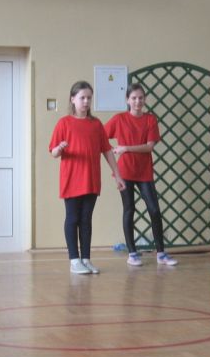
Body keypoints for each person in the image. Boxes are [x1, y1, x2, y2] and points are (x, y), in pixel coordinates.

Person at [49, 81, 125, 275]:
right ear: (72, 99)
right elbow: (53, 152)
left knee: (86, 219)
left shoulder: (96, 124)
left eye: (89, 98)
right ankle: (74, 260)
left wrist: (117, 175)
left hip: (91, 179)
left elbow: (107, 151)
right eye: (82, 97)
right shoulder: (64, 123)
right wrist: (59, 149)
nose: (85, 101)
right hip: (72, 179)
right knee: (72, 218)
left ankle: (85, 259)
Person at [104, 83, 178, 267]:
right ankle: (132, 253)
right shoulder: (119, 119)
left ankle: (161, 253)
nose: (138, 101)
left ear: (145, 99)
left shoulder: (150, 119)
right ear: (127, 100)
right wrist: (113, 150)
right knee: (129, 209)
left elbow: (149, 147)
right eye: (134, 98)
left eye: (141, 98)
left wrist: (125, 148)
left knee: (154, 210)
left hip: (144, 172)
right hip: (125, 171)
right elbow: (101, 136)